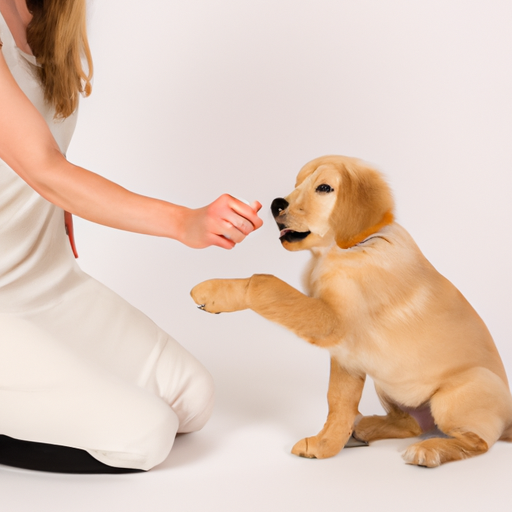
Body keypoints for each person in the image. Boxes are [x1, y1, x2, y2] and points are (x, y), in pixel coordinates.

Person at [0, 0, 263, 473]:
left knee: (193, 400)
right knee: (143, 437)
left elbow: (35, 161)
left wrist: (55, 204)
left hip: (47, 280)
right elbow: (42, 166)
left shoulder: (49, 17)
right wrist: (185, 222)